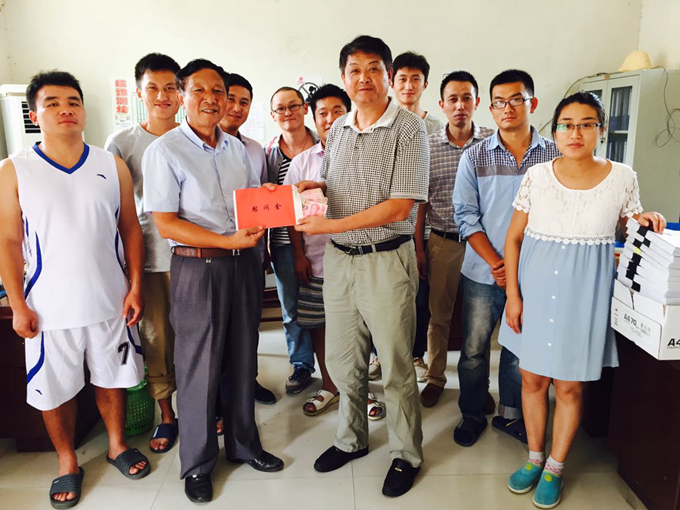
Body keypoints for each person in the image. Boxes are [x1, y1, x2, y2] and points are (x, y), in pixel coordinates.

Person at [501, 91, 665, 508]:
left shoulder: (622, 177)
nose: (575, 133)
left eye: (586, 124)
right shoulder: (537, 176)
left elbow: (631, 225)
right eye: (567, 124)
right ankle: (534, 458)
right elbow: (514, 239)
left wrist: (646, 219)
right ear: (555, 131)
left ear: (601, 130)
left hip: (585, 295)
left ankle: (555, 468)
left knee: (570, 387)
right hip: (535, 292)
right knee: (532, 379)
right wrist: (513, 296)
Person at [0, 71, 149, 508]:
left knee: (113, 378)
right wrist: (18, 303)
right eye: (52, 103)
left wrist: (135, 287)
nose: (65, 109)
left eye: (73, 101)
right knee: (55, 388)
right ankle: (67, 460)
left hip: (110, 300)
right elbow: (8, 241)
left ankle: (117, 444)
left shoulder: (111, 164)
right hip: (49, 308)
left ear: (83, 110)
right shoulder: (14, 169)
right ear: (34, 114)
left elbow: (131, 229)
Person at [142, 59, 283, 504]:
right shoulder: (165, 150)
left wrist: (276, 200)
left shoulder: (235, 148)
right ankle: (198, 463)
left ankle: (244, 444)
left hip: (243, 264)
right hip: (198, 267)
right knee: (198, 365)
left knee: (242, 355)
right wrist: (225, 242)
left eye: (218, 90)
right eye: (199, 90)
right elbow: (166, 223)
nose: (211, 99)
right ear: (182, 97)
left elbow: (249, 202)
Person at [294, 35, 428, 498]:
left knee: (394, 364)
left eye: (374, 69)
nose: (364, 78)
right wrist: (313, 188)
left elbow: (400, 206)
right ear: (344, 77)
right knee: (343, 359)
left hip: (385, 260)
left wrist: (331, 224)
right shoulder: (338, 129)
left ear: (388, 76)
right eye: (354, 69)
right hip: (340, 261)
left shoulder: (409, 129)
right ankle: (350, 440)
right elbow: (334, 183)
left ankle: (406, 453)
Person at [452, 69, 560, 448]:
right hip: (484, 272)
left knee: (517, 352)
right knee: (473, 350)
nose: (507, 108)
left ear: (532, 103)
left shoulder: (555, 155)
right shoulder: (474, 156)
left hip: (534, 274)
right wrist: (499, 264)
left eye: (516, 100)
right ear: (491, 108)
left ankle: (512, 414)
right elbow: (466, 216)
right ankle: (472, 412)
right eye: (499, 102)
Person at [105, 53, 181, 453]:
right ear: (139, 93)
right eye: (153, 88)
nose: (162, 95)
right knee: (156, 340)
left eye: (170, 87)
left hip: (195, 257)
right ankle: (167, 415)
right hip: (149, 260)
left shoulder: (196, 136)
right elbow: (115, 211)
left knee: (197, 339)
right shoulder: (121, 143)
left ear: (181, 93)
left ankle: (201, 408)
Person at [416, 71, 494, 408]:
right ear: (442, 104)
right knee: (439, 317)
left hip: (482, 245)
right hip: (443, 241)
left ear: (477, 102)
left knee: (481, 321)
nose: (460, 105)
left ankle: (477, 386)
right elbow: (421, 201)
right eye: (453, 99)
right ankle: (435, 378)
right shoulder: (428, 146)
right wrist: (419, 247)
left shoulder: (492, 142)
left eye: (466, 98)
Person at [368, 51, 443, 383]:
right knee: (379, 298)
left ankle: (415, 355)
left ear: (425, 84)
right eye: (402, 78)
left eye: (416, 79)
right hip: (385, 227)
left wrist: (420, 241)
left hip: (424, 228)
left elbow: (426, 186)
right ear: (391, 81)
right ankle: (379, 355)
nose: (409, 85)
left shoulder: (435, 129)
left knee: (418, 298)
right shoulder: (379, 122)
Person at [282, 84, 348, 416]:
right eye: (323, 112)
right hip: (316, 260)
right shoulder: (301, 163)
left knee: (355, 328)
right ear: (314, 117)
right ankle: (331, 386)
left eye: (338, 111)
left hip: (354, 261)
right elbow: (290, 216)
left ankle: (358, 389)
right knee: (319, 326)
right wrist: (298, 255)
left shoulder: (361, 158)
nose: (330, 118)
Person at [217, 71, 276, 406]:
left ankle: (247, 381)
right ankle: (219, 392)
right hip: (214, 251)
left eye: (245, 102)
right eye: (232, 99)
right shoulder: (193, 148)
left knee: (248, 321)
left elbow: (261, 200)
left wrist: (263, 247)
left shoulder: (254, 149)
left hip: (250, 248)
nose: (237, 108)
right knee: (218, 327)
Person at [266, 86, 318, 394]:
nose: (288, 113)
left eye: (294, 106)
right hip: (284, 243)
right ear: (273, 115)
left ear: (305, 108)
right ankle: (301, 364)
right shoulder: (268, 154)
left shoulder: (326, 144)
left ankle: (344, 364)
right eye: (281, 109)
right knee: (291, 308)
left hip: (324, 239)